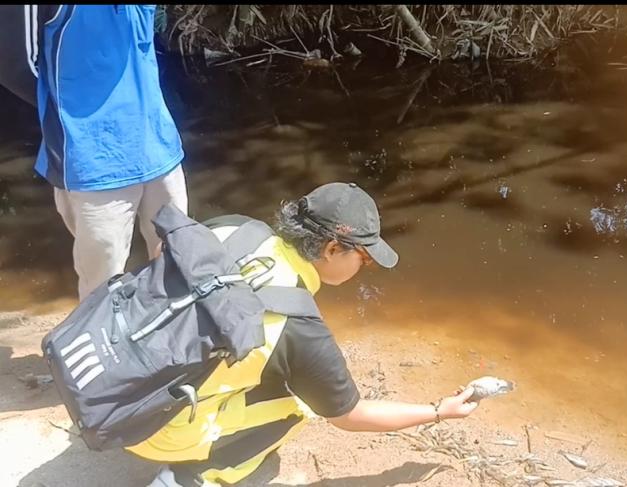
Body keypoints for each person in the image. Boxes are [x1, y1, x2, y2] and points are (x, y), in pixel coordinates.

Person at [127, 182, 480, 486]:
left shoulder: (236, 227)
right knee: (299, 406)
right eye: (364, 258)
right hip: (149, 429)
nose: (365, 267)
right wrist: (438, 411)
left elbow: (163, 249)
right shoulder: (296, 322)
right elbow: (349, 415)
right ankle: (192, 476)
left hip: (113, 382)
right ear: (331, 249)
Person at [35, 5, 188, 300]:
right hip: (94, 161)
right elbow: (15, 61)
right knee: (101, 292)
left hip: (159, 147)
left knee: (179, 262)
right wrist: (73, 116)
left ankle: (170, 342)